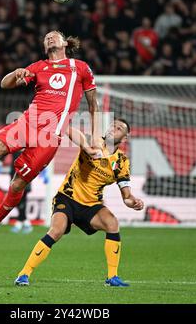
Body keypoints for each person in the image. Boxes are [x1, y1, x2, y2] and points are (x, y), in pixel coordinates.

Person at [0, 30, 100, 242]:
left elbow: (93, 105)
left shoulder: (80, 68)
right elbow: (4, 85)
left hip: (49, 137)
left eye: (54, 35)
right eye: (46, 37)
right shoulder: (37, 67)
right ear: (44, 47)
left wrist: (95, 137)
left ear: (65, 43)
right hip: (26, 123)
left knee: (16, 185)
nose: (50, 37)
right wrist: (16, 73)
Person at [14, 118, 144, 287]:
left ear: (124, 138)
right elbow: (69, 130)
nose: (113, 128)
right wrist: (88, 148)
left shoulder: (121, 162)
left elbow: (126, 196)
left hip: (91, 205)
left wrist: (132, 201)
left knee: (112, 223)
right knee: (56, 230)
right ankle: (23, 274)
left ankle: (112, 277)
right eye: (113, 125)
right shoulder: (94, 142)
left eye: (119, 128)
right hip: (67, 197)